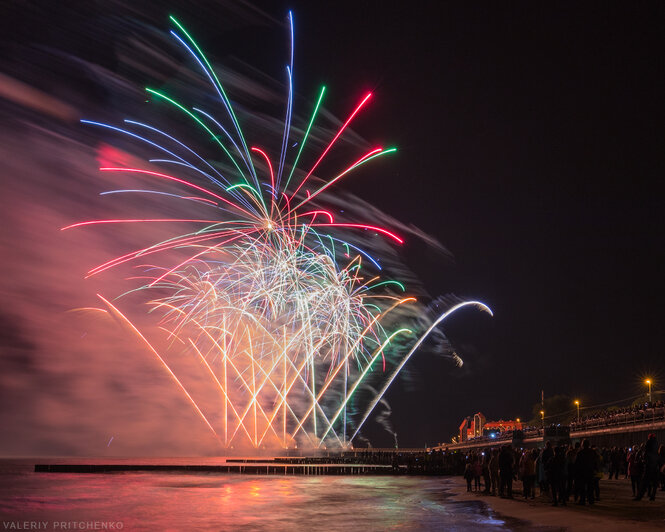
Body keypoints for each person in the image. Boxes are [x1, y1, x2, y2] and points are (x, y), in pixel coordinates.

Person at [635, 433, 660, 501]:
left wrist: (644, 460)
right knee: (654, 483)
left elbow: (646, 453)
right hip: (655, 465)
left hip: (649, 465)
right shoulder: (657, 444)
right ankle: (652, 496)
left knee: (644, 481)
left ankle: (639, 496)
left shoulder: (649, 443)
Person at [575, 439, 596, 505]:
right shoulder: (592, 452)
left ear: (582, 444)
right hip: (590, 471)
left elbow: (577, 463)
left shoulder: (580, 452)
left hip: (582, 472)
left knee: (582, 487)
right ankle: (591, 500)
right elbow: (595, 461)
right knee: (590, 487)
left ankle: (582, 500)